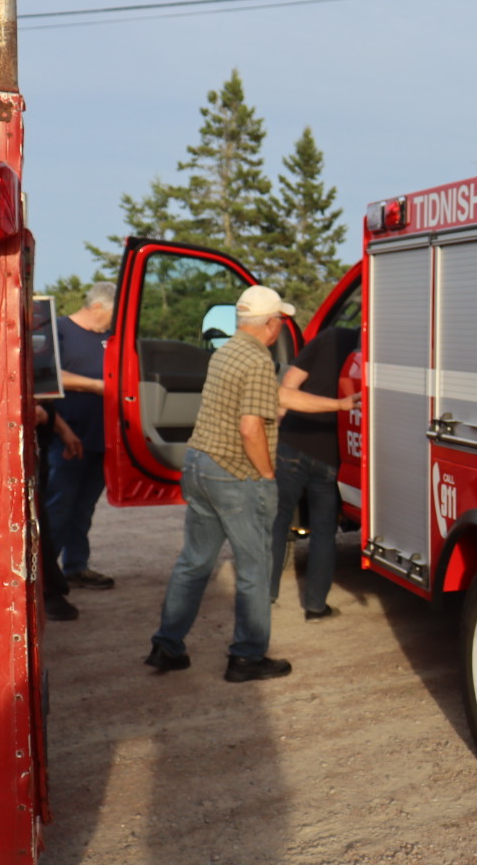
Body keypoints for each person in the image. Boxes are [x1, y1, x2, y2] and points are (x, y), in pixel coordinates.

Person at [146, 286, 355, 683]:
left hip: (199, 465)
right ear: (272, 325)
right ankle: (247, 656)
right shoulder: (258, 361)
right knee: (255, 568)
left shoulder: (227, 352)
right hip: (235, 474)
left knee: (193, 562)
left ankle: (166, 645)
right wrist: (267, 475)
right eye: (280, 320)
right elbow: (250, 427)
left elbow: (280, 396)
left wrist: (340, 406)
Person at [270, 326, 359, 620]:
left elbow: (289, 386)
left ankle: (264, 597)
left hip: (294, 444)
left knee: (277, 523)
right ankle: (315, 605)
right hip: (332, 455)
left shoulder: (331, 336)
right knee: (323, 532)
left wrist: (277, 431)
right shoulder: (375, 350)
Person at [46, 282, 116, 591]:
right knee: (57, 507)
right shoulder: (57, 330)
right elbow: (48, 375)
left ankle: (76, 566)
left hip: (101, 439)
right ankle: (46, 574)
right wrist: (99, 386)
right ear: (99, 307)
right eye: (116, 310)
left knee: (83, 507)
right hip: (65, 437)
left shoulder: (112, 339)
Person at [35, 403, 83, 621]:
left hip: (30, 448)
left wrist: (63, 430)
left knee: (37, 517)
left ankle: (47, 588)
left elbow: (43, 396)